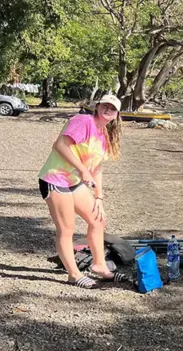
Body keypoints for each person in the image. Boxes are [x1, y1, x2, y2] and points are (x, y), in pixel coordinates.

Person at [37, 94, 127, 288]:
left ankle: (100, 266)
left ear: (117, 114)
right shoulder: (83, 121)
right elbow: (60, 145)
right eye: (105, 105)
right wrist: (83, 170)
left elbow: (97, 169)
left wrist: (99, 197)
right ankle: (73, 274)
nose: (108, 110)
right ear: (98, 106)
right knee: (67, 228)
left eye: (113, 108)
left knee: (98, 219)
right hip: (55, 179)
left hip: (74, 182)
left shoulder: (104, 135)